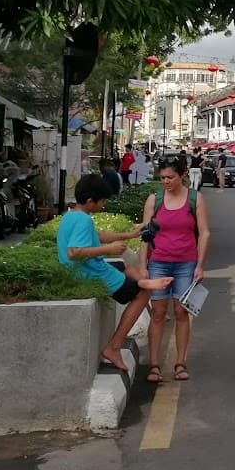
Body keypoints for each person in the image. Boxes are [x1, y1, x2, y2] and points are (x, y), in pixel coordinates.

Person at [57, 173, 172, 370]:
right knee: (143, 295)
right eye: (102, 201)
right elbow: (74, 252)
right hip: (90, 274)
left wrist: (130, 234)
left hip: (85, 270)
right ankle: (114, 346)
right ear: (91, 201)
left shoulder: (71, 216)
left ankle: (142, 281)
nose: (104, 205)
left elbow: (97, 236)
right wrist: (108, 250)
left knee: (125, 266)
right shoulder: (83, 220)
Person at [139, 158, 210, 383]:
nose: (166, 182)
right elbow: (145, 234)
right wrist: (143, 266)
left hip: (186, 262)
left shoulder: (195, 198)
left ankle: (180, 362)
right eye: (162, 178)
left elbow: (204, 232)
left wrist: (200, 265)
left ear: (182, 175)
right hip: (159, 261)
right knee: (158, 313)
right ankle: (154, 365)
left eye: (170, 177)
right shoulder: (154, 199)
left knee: (181, 313)